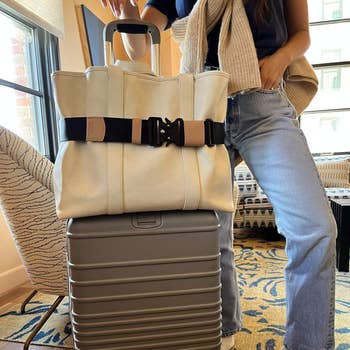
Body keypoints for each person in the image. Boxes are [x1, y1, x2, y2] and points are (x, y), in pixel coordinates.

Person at [99, 1, 338, 349]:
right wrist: (127, 17)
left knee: (315, 228)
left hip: (264, 102)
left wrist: (280, 60)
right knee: (211, 232)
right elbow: (143, 44)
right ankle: (222, 333)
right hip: (200, 107)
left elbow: (301, 34)